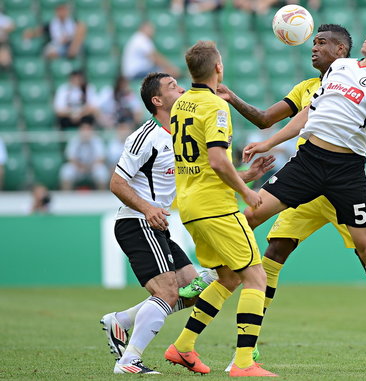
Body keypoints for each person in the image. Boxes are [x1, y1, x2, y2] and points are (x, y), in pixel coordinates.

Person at [217, 24, 366, 370]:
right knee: (250, 215)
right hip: (308, 163)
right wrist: (269, 142)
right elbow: (308, 114)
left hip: (347, 171)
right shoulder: (340, 67)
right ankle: (208, 270)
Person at [163, 41, 277, 377]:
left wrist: (243, 175)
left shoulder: (181, 104)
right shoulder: (215, 107)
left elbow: (199, 161)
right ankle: (244, 363)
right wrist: (247, 191)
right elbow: (215, 160)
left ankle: (182, 346)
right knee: (256, 278)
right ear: (219, 68)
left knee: (227, 278)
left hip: (191, 206)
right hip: (217, 207)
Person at [102, 73, 214, 374]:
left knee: (194, 288)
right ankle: (129, 360)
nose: (180, 88)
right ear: (157, 100)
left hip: (157, 225)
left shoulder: (181, 132)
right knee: (166, 292)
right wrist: (147, 207)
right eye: (172, 86)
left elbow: (204, 173)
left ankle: (122, 320)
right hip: (137, 221)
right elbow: (116, 182)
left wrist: (243, 178)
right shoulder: (145, 135)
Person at [59, 122, 109, 190]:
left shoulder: (97, 140)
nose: (85, 132)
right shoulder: (75, 140)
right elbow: (70, 158)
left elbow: (101, 158)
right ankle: (66, 197)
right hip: (78, 168)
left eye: (88, 129)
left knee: (102, 171)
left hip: (92, 168)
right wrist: (80, 167)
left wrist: (89, 167)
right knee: (66, 171)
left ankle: (103, 197)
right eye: (83, 129)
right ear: (80, 130)